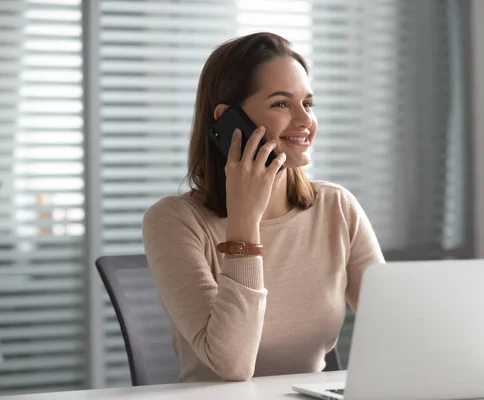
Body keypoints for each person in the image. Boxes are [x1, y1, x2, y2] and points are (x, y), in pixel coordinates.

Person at [142, 32, 384, 383]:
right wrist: (244, 221)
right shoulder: (173, 221)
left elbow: (395, 325)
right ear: (229, 121)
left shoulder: (336, 207)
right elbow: (233, 364)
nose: (305, 121)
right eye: (282, 104)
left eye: (309, 104)